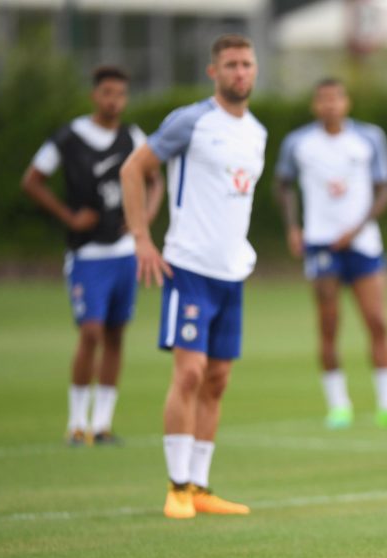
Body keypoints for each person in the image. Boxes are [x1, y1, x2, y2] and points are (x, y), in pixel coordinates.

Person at [120, 34, 266, 519]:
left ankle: (201, 486)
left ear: (255, 69)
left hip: (232, 271)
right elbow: (133, 169)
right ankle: (176, 485)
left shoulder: (258, 133)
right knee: (189, 372)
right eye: (230, 65)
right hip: (189, 268)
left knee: (218, 379)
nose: (239, 73)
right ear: (213, 72)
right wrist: (142, 238)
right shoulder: (192, 121)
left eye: (246, 64)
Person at [21, 65, 163, 446]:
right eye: (107, 93)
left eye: (120, 94)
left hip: (123, 253)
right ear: (94, 96)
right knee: (91, 332)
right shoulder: (70, 137)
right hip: (87, 254)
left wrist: (144, 219)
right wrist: (69, 216)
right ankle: (75, 423)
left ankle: (102, 425)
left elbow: (156, 178)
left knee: (116, 335)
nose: (114, 100)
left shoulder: (133, 136)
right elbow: (32, 180)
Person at [274, 78, 387, 430]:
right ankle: (338, 405)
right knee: (328, 324)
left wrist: (357, 227)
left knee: (378, 321)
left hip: (363, 243)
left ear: (347, 102)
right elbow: (283, 184)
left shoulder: (369, 138)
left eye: (335, 99)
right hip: (321, 243)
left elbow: (385, 188)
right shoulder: (299, 143)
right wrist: (294, 227)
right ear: (315, 105)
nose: (329, 105)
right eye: (322, 100)